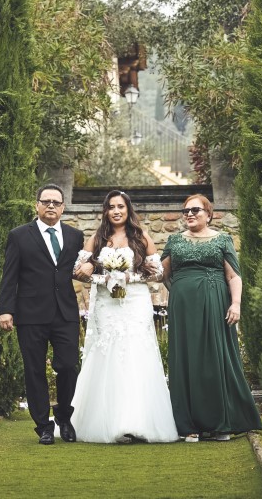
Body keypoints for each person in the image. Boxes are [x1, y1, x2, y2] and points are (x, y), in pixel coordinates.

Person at [71, 189, 178, 443]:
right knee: (108, 353)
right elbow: (77, 272)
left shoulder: (140, 236)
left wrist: (130, 277)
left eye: (120, 206)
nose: (116, 211)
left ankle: (139, 422)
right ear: (105, 211)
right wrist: (103, 277)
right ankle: (108, 422)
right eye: (111, 207)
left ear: (128, 210)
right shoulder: (97, 238)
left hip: (135, 303)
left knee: (136, 353)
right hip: (107, 306)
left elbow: (159, 274)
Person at [161, 193, 262, 441]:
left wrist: (236, 304)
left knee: (214, 358)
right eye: (186, 211)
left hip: (215, 303)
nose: (190, 215)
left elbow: (233, 276)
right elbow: (161, 274)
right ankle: (188, 425)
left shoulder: (222, 240)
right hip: (183, 307)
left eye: (195, 210)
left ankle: (220, 423)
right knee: (185, 360)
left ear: (209, 213)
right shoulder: (174, 241)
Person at [0, 184, 84, 445]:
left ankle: (64, 417)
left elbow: (82, 267)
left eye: (56, 203)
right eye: (45, 201)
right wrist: (5, 310)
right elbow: (9, 276)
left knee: (69, 365)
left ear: (63, 207)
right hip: (30, 314)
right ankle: (43, 426)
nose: (51, 206)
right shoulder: (19, 236)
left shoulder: (74, 236)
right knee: (34, 370)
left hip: (65, 312)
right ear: (36, 205)